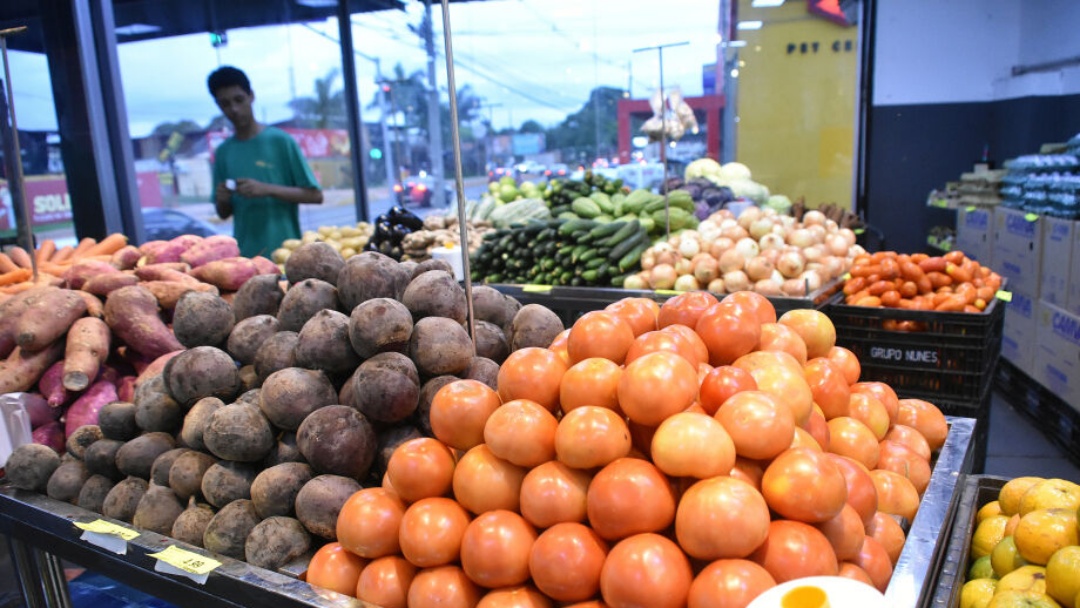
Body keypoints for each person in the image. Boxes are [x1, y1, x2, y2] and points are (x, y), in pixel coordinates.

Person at [207, 66, 323, 258]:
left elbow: (315, 195)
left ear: (251, 96)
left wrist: (267, 189)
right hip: (245, 259)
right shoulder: (223, 152)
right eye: (225, 104)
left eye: (239, 100)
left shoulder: (281, 142)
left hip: (288, 255)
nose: (234, 109)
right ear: (219, 106)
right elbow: (223, 213)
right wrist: (222, 199)